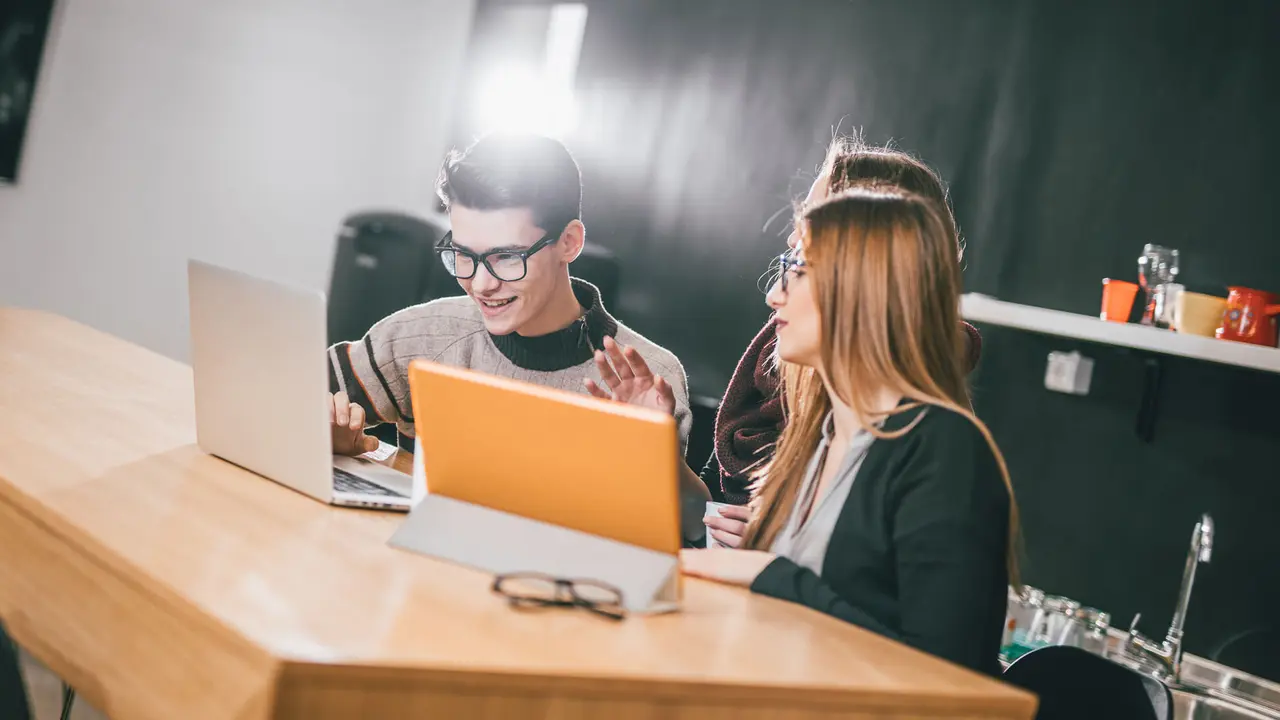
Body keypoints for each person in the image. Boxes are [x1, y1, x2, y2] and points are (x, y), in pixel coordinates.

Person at [680, 186, 1019, 676]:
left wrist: (768, 574)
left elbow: (946, 672)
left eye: (797, 272)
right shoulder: (818, 439)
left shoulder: (943, 449)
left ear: (861, 290)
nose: (774, 295)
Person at [325, 132, 695, 468]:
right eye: (463, 254)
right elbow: (304, 401)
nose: (480, 284)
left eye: (506, 257)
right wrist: (329, 434)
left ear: (569, 243)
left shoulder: (649, 378)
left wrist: (650, 455)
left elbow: (683, 512)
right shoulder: (422, 335)